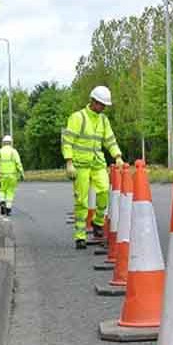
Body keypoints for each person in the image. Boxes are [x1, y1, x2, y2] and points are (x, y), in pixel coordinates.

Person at [61, 85, 123, 249]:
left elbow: (110, 140)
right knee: (82, 200)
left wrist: (117, 156)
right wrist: (69, 163)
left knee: (103, 192)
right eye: (101, 104)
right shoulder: (78, 118)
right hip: (80, 165)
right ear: (93, 101)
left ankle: (97, 222)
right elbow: (67, 141)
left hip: (97, 164)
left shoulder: (103, 120)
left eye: (104, 105)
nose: (102, 108)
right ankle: (80, 235)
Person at [0, 135, 24, 216]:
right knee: (10, 192)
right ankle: (8, 209)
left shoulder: (0, 152)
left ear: (3, 143)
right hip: (13, 176)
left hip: (2, 176)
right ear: (11, 143)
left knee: (2, 191)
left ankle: (2, 202)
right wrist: (22, 174)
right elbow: (18, 163)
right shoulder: (14, 152)